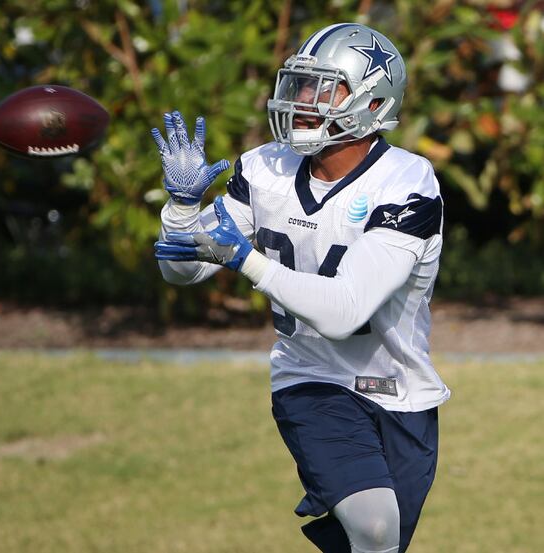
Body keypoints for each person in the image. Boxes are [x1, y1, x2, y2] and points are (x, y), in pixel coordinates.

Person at [151, 23, 449, 553]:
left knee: (378, 542)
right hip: (311, 379)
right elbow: (182, 268)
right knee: (375, 526)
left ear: (373, 101)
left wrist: (246, 259)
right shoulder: (264, 167)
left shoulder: (407, 182)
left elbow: (346, 308)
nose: (302, 100)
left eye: (321, 88)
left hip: (402, 393)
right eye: (299, 84)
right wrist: (180, 208)